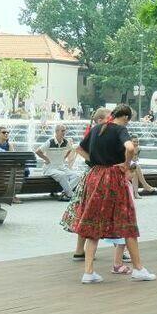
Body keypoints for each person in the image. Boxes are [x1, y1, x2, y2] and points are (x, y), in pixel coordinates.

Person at [70, 104, 156, 284]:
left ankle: (88, 272)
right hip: (113, 178)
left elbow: (79, 149)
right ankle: (138, 269)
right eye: (128, 121)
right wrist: (126, 164)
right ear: (125, 117)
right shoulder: (120, 129)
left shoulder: (96, 129)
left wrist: (95, 161)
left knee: (93, 223)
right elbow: (130, 148)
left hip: (95, 176)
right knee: (127, 222)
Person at [61, 108, 110, 259]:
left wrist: (92, 160)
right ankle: (121, 250)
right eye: (109, 118)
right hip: (98, 175)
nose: (111, 120)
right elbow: (79, 149)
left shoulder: (95, 131)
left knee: (85, 211)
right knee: (102, 211)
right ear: (100, 120)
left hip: (90, 174)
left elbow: (79, 148)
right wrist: (96, 161)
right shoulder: (99, 132)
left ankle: (79, 250)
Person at [35, 123, 80, 200]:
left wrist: (64, 157)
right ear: (56, 131)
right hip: (49, 168)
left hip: (61, 167)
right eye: (62, 131)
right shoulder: (50, 142)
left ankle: (64, 193)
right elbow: (38, 151)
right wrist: (46, 159)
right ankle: (71, 195)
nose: (64, 132)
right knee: (62, 175)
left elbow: (70, 150)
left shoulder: (66, 142)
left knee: (77, 176)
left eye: (65, 131)